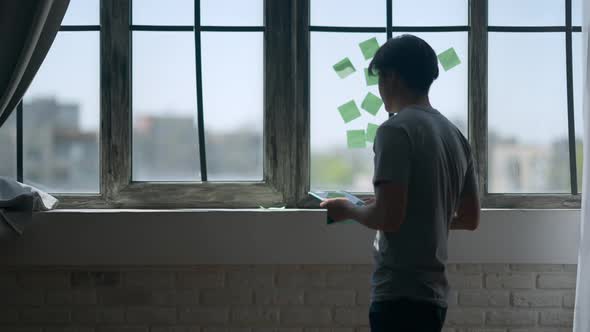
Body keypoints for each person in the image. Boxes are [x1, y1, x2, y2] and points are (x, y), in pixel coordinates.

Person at [320, 34, 481, 332]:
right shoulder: (455, 135)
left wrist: (347, 209)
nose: (380, 88)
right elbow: (470, 218)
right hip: (434, 296)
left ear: (391, 77)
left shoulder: (394, 130)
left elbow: (389, 219)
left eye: (380, 77)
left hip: (399, 296)